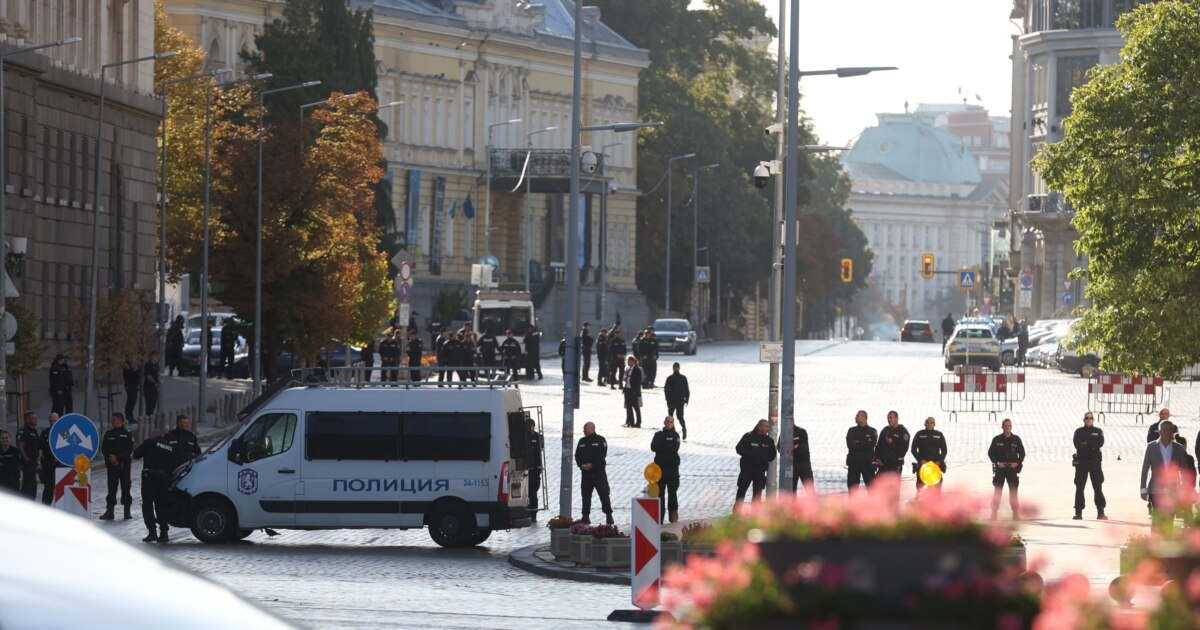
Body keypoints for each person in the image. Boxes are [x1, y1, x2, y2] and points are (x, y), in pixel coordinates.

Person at [133, 430, 177, 543]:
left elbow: (136, 455)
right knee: (161, 505)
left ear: (152, 436)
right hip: (164, 478)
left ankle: (152, 532)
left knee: (148, 505)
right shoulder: (170, 447)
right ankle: (164, 533)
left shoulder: (149, 442)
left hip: (149, 476)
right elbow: (174, 464)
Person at [1140, 420, 1187, 526]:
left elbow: (1184, 470)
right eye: (1165, 429)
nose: (1167, 431)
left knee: (1169, 521)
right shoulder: (1151, 447)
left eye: (1170, 429)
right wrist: (1143, 488)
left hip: (1173, 491)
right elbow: (1145, 469)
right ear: (1159, 431)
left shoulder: (1178, 448)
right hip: (1155, 490)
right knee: (1157, 521)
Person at [575, 422, 614, 525]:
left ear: (592, 428)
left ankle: (609, 515)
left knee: (604, 494)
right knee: (585, 495)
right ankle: (585, 516)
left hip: (598, 473)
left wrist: (592, 465)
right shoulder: (582, 441)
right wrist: (581, 465)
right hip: (586, 474)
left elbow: (602, 456)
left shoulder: (600, 440)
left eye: (585, 428)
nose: (583, 430)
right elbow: (577, 455)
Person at [988, 418, 1026, 520]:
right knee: (997, 492)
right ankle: (994, 514)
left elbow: (1022, 453)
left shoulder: (1016, 439)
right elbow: (990, 453)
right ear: (1002, 427)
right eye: (1005, 426)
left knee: (1013, 492)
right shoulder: (997, 439)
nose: (1007, 428)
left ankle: (1015, 514)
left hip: (1012, 469)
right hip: (1000, 469)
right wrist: (997, 463)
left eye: (1009, 426)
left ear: (1011, 427)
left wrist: (1017, 463)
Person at [1072, 411, 1107, 520]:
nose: (1088, 420)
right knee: (1079, 487)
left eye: (1091, 418)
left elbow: (1100, 443)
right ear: (1084, 419)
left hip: (1094, 463)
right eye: (1087, 418)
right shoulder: (1078, 431)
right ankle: (1078, 512)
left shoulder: (1098, 431)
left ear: (1093, 420)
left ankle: (1100, 512)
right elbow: (1077, 444)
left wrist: (1086, 443)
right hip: (1081, 463)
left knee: (1097, 487)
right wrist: (1091, 444)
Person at [100, 413, 135, 520]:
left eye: (114, 420)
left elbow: (130, 449)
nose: (112, 422)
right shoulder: (109, 433)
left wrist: (118, 458)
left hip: (124, 465)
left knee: (126, 488)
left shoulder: (127, 433)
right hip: (112, 466)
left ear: (120, 420)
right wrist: (110, 458)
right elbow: (104, 448)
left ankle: (127, 511)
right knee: (111, 488)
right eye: (112, 420)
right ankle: (110, 511)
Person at [735, 419, 776, 509]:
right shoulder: (748, 436)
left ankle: (755, 512)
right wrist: (752, 455)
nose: (768, 429)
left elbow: (772, 455)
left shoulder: (769, 441)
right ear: (759, 427)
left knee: (757, 494)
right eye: (766, 427)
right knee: (742, 490)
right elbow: (739, 448)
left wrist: (763, 457)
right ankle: (737, 511)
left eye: (768, 427)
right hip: (747, 470)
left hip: (760, 471)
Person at [651, 416, 682, 522]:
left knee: (672, 493)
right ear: (664, 422)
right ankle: (660, 517)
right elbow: (653, 447)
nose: (669, 423)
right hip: (659, 469)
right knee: (660, 494)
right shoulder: (658, 435)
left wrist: (662, 447)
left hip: (672, 469)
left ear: (673, 423)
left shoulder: (675, 435)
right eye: (667, 421)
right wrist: (666, 446)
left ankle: (673, 515)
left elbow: (674, 449)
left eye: (671, 422)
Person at [911, 417, 948, 494]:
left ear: (934, 424)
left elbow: (944, 451)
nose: (929, 424)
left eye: (931, 423)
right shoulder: (919, 434)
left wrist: (939, 462)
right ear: (924, 424)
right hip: (923, 467)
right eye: (927, 422)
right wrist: (921, 460)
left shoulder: (939, 435)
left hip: (935, 467)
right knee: (921, 490)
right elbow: (913, 449)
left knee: (937, 491)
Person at [846, 410, 877, 489]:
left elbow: (871, 445)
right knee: (852, 488)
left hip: (867, 463)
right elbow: (850, 445)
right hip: (854, 463)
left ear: (864, 417)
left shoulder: (872, 431)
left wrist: (858, 442)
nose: (855, 417)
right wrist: (864, 443)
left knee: (872, 488)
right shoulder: (851, 431)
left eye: (857, 416)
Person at [875, 410, 910, 478]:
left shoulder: (903, 432)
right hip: (883, 465)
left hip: (895, 466)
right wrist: (877, 458)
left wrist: (892, 443)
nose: (889, 420)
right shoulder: (885, 430)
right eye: (888, 418)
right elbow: (878, 446)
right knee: (876, 484)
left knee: (893, 485)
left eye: (891, 418)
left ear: (896, 418)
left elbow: (903, 451)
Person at [37, 413, 61, 505]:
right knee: (48, 488)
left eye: (55, 420)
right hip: (48, 464)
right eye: (51, 421)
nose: (52, 422)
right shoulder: (45, 433)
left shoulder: (64, 432)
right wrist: (39, 463)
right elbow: (39, 448)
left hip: (60, 464)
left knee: (61, 487)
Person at [663, 362, 691, 441]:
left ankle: (683, 428)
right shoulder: (670, 378)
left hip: (679, 400)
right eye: (675, 367)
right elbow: (666, 389)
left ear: (679, 368)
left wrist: (686, 399)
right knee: (671, 416)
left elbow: (686, 389)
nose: (675, 368)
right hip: (673, 400)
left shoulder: (682, 378)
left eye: (676, 367)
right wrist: (667, 399)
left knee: (679, 416)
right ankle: (673, 431)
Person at [16, 412, 38, 499]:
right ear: (27, 420)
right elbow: (20, 447)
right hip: (28, 461)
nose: (36, 420)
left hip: (34, 460)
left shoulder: (34, 431)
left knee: (32, 484)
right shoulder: (23, 431)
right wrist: (27, 460)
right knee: (29, 484)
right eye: (33, 418)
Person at [527, 419, 543, 518]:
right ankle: (527, 512)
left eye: (530, 427)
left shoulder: (538, 437)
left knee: (533, 492)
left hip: (535, 469)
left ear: (533, 426)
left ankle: (533, 514)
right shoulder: (523, 437)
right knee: (527, 493)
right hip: (525, 468)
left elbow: (539, 450)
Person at [792, 423, 814, 493]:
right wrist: (794, 447)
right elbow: (780, 448)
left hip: (804, 464)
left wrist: (789, 448)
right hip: (791, 465)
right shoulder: (784, 433)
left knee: (809, 489)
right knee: (791, 491)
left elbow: (803, 448)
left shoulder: (801, 431)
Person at [623, 356, 644, 428]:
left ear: (633, 361)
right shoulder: (627, 369)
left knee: (636, 407)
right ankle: (631, 422)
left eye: (629, 361)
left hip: (633, 391)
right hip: (627, 390)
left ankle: (638, 422)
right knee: (629, 407)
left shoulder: (637, 370)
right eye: (627, 361)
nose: (628, 363)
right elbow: (625, 379)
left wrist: (635, 390)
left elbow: (638, 381)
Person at [122, 356, 141, 421]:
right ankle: (129, 416)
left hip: (135, 386)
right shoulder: (127, 367)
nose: (135, 359)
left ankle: (130, 416)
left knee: (133, 401)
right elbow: (127, 376)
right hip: (130, 386)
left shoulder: (135, 367)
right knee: (130, 401)